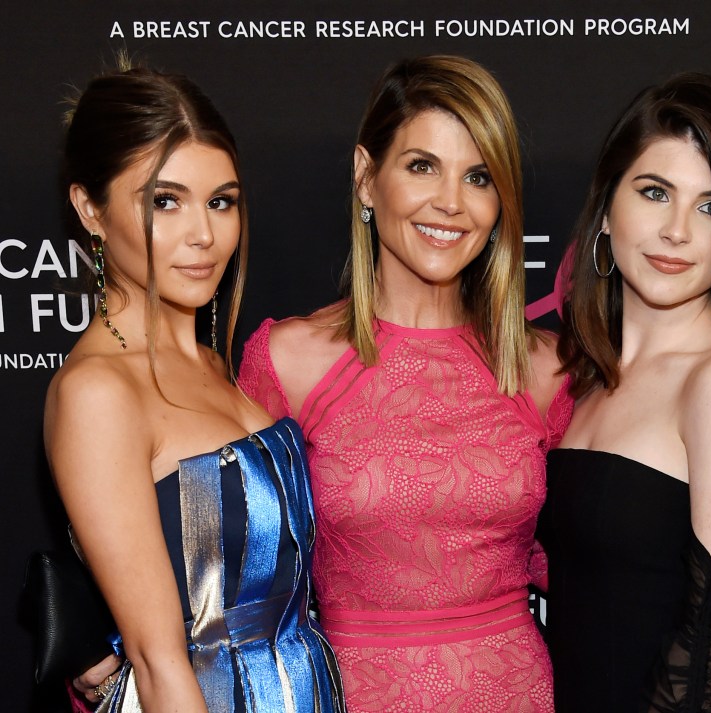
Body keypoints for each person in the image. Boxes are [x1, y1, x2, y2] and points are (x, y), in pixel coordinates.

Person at [238, 55, 572, 712]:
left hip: (515, 691)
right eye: (423, 165)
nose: (451, 201)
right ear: (367, 176)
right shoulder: (290, 361)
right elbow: (223, 556)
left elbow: (597, 558)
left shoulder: (543, 368)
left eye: (478, 177)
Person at [46, 63, 343, 712]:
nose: (204, 234)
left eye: (221, 201)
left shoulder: (212, 362)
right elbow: (158, 665)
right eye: (165, 201)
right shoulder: (96, 391)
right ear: (90, 210)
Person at [540, 72, 711, 711]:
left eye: (710, 206)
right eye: (654, 192)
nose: (677, 231)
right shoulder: (584, 374)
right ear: (607, 208)